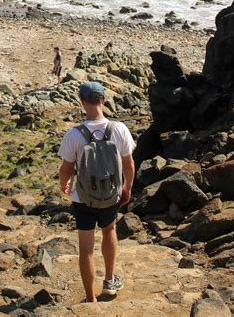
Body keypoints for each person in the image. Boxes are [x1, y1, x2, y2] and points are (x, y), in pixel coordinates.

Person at [58, 81, 135, 304]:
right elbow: (129, 164)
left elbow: (66, 169)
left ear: (82, 102)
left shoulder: (74, 134)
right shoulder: (119, 129)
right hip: (111, 194)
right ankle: (110, 279)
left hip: (83, 198)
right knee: (109, 230)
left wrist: (65, 185)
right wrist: (127, 187)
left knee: (86, 250)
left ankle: (90, 298)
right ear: (103, 99)